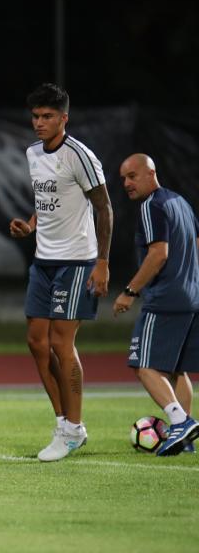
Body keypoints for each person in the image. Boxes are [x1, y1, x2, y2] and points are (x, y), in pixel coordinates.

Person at [9, 83, 113, 462]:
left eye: (47, 116)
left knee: (60, 342)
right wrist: (32, 225)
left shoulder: (80, 156)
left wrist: (102, 262)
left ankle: (72, 427)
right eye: (35, 116)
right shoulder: (33, 153)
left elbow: (104, 208)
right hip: (44, 259)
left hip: (77, 260)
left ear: (64, 119)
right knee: (36, 342)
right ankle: (66, 424)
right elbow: (47, 199)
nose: (39, 123)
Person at [112, 153, 199, 456]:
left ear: (151, 173)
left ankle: (179, 422)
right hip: (190, 296)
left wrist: (130, 291)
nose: (126, 183)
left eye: (132, 176)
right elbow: (197, 244)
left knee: (143, 365)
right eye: (123, 178)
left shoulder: (152, 206)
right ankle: (185, 440)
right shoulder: (181, 202)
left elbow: (158, 254)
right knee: (176, 369)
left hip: (165, 297)